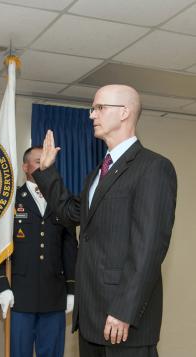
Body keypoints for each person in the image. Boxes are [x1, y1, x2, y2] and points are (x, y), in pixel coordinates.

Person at [33, 84, 177, 357]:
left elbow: (148, 248)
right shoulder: (98, 173)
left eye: (99, 108)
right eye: (92, 108)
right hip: (91, 318)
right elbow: (69, 213)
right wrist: (48, 171)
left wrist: (124, 310)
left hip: (124, 320)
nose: (91, 115)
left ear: (124, 113)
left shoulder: (153, 168)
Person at [0, 146, 77, 357]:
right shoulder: (11, 201)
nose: (44, 165)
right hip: (19, 296)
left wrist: (73, 289)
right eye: (38, 161)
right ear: (25, 167)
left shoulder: (61, 201)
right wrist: (1, 285)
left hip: (54, 296)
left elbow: (69, 248)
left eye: (47, 162)